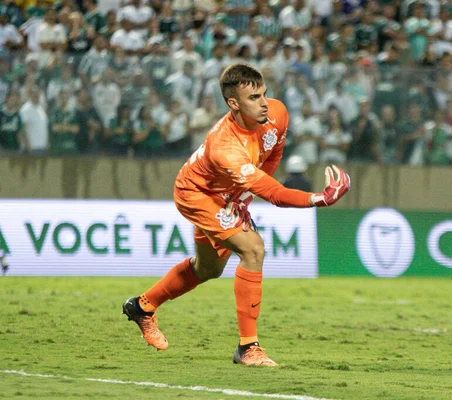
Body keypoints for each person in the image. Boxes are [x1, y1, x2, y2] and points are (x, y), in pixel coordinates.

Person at [122, 63, 351, 366]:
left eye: (264, 94)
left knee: (208, 269)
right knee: (253, 249)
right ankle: (248, 347)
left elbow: (273, 155)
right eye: (254, 98)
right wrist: (319, 198)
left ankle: (142, 306)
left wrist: (244, 195)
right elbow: (274, 193)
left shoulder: (277, 113)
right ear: (233, 104)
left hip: (228, 191)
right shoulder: (225, 147)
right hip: (198, 194)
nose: (264, 103)